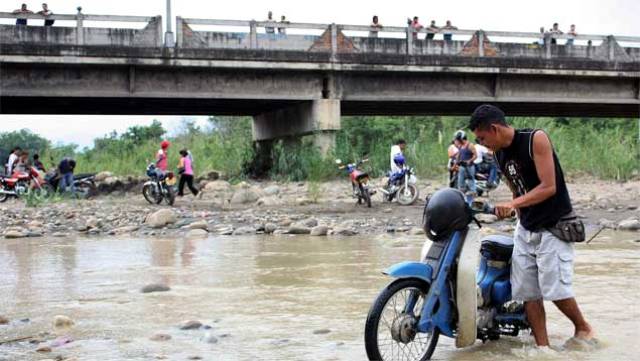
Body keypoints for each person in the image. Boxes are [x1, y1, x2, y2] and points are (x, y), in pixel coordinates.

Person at [469, 104, 595, 349]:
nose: (482, 145)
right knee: (528, 293)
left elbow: (549, 187)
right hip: (526, 227)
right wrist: (511, 209)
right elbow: (517, 187)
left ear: (494, 129)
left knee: (556, 290)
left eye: (482, 138)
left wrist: (513, 202)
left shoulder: (535, 140)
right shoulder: (498, 155)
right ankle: (543, 348)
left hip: (554, 226)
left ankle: (583, 327)